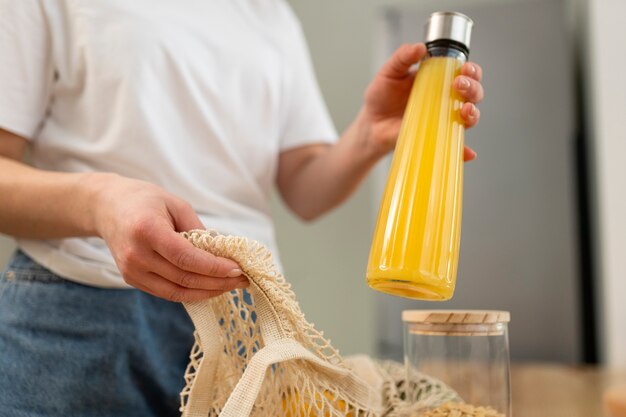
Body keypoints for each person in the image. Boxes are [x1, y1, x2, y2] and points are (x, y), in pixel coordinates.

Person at [0, 1, 484, 416]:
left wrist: (368, 134)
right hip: (77, 318)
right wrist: (100, 202)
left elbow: (305, 189)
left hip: (245, 332)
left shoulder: (270, 15)